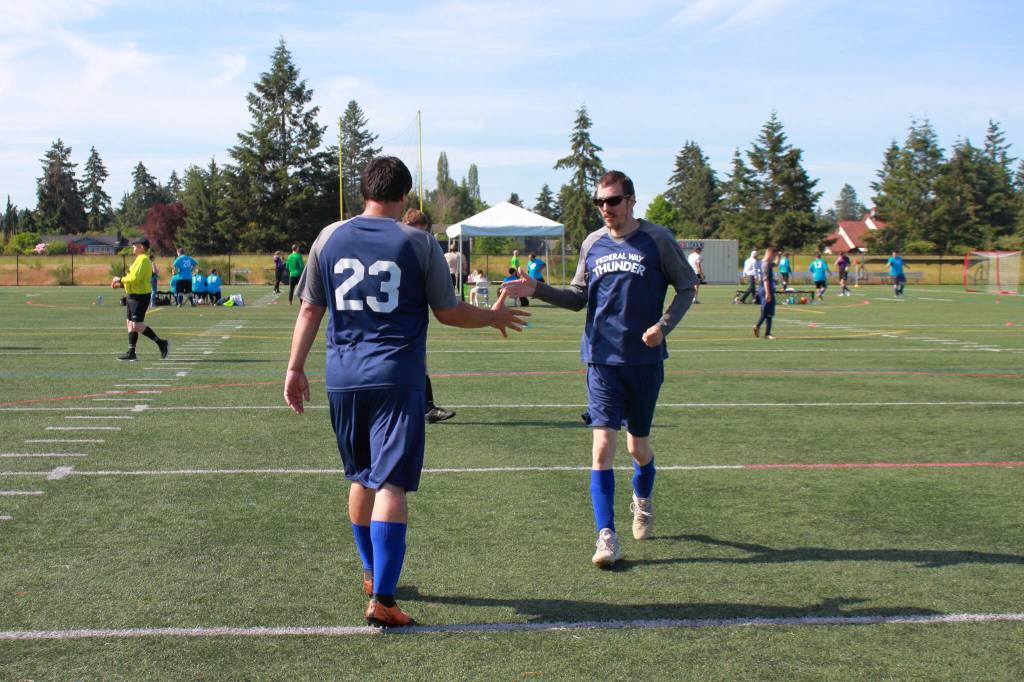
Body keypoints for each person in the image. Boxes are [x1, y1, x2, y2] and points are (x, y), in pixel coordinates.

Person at [284, 157, 528, 627]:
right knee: (391, 482)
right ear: (405, 195)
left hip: (343, 376)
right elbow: (449, 311)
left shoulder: (328, 237)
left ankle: (372, 573)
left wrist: (295, 368)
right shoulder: (418, 241)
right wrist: (494, 316)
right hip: (396, 376)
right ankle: (385, 600)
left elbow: (310, 310)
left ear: (363, 191)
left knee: (360, 476)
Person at [502, 170, 698, 568]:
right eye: (600, 202)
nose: (605, 209)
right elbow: (578, 297)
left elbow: (688, 287)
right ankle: (606, 535)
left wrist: (663, 326)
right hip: (601, 360)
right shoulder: (592, 243)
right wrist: (536, 289)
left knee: (636, 446)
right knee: (603, 447)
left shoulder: (657, 239)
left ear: (630, 200)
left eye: (612, 201)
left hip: (643, 362)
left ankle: (641, 499)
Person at [402, 208, 457, 425]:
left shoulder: (421, 250)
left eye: (425, 232)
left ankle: (427, 408)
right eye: (419, 231)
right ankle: (423, 408)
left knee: (419, 362)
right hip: (399, 318)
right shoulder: (402, 250)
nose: (423, 237)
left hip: (413, 318)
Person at [110, 238, 169, 361]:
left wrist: (119, 279)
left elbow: (135, 278)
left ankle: (161, 343)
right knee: (130, 324)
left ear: (142, 247)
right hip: (132, 296)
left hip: (140, 296)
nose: (133, 248)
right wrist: (121, 285)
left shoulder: (143, 259)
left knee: (136, 325)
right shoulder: (138, 259)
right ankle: (132, 353)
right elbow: (131, 278)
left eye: (135, 246)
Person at [754, 247, 777, 340]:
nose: (774, 257)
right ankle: (759, 327)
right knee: (768, 312)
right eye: (774, 255)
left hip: (762, 288)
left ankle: (766, 332)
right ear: (770, 254)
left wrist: (778, 255)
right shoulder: (766, 265)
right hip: (766, 289)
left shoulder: (762, 263)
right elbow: (766, 279)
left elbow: (776, 263)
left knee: (767, 311)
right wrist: (768, 293)